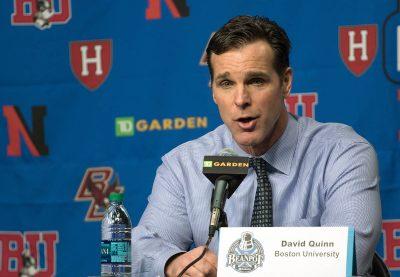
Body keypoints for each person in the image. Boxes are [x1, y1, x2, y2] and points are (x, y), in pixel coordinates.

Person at [131, 15, 382, 276]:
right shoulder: (184, 165)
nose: (241, 99)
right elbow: (144, 248)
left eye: (256, 81)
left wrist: (235, 267)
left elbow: (348, 260)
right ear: (213, 91)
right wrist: (173, 263)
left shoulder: (342, 154)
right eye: (226, 83)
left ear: (285, 82)